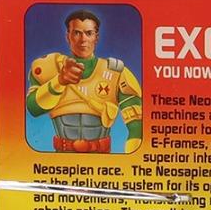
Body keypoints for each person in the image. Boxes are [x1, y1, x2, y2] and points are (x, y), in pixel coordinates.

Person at [27, 9, 142, 153]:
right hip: (62, 159)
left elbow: (136, 128)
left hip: (101, 160)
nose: (83, 40)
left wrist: (130, 161)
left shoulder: (116, 73)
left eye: (89, 33)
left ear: (96, 37)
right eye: (77, 33)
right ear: (68, 36)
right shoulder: (50, 67)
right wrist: (59, 82)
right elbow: (33, 108)